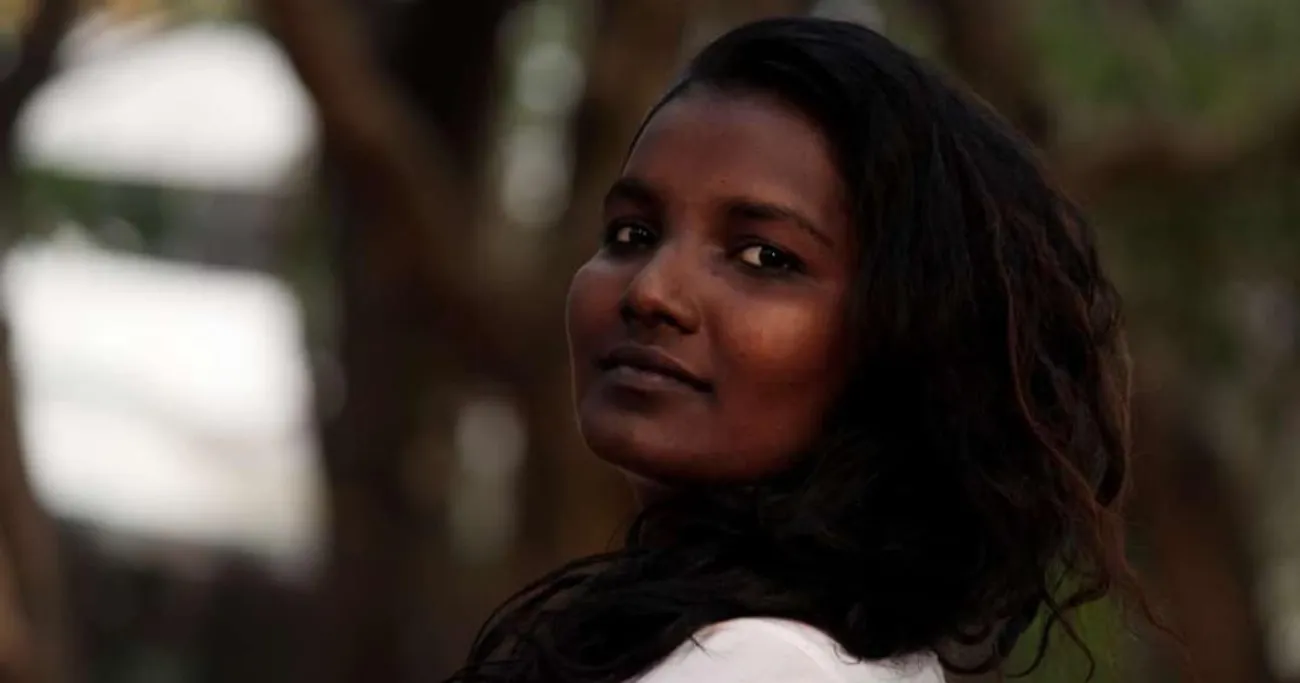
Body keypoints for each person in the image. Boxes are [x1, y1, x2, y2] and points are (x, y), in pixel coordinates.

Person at [450, 16, 1141, 683]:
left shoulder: (763, 665)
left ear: (903, 335)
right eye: (633, 234)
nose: (651, 291)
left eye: (764, 256)